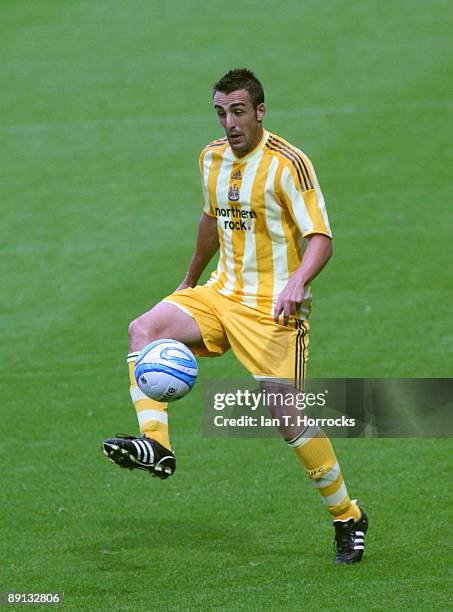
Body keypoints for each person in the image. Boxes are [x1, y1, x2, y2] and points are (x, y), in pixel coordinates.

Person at [102, 68, 368, 564]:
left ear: (260, 111)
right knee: (145, 328)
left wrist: (298, 281)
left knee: (288, 418)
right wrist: (188, 280)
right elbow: (210, 220)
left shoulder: (291, 165)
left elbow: (321, 239)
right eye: (221, 112)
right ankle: (156, 444)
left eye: (239, 111)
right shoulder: (211, 159)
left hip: (273, 310)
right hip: (221, 294)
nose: (230, 123)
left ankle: (347, 516)